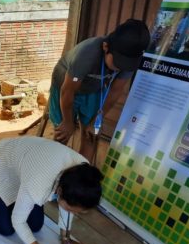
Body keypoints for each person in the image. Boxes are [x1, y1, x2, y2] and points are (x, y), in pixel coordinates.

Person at [0, 137, 103, 244]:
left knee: (35, 225)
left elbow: (72, 202)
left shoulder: (84, 173)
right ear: (60, 191)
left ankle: (8, 195)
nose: (73, 213)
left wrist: (65, 237)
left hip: (29, 167)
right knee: (6, 229)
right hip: (3, 163)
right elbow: (18, 220)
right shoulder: (40, 183)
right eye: (71, 210)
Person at [49, 19, 150, 161]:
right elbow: (68, 90)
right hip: (65, 86)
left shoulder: (128, 62)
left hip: (93, 88)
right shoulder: (87, 53)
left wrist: (98, 118)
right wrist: (67, 121)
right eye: (117, 63)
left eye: (126, 65)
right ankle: (54, 172)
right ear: (105, 47)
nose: (120, 68)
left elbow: (115, 91)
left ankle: (79, 177)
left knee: (92, 135)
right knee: (63, 134)